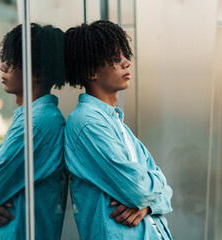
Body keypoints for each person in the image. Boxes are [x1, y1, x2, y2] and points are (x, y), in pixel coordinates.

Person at [64, 20, 173, 240]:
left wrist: (148, 206)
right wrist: (150, 194)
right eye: (115, 58)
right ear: (90, 71)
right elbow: (137, 188)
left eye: (125, 55)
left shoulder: (115, 123)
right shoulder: (88, 123)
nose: (126, 63)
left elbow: (164, 187)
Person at [0, 23, 67, 240]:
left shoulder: (36, 124)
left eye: (12, 62)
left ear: (37, 73)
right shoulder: (34, 118)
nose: (3, 67)